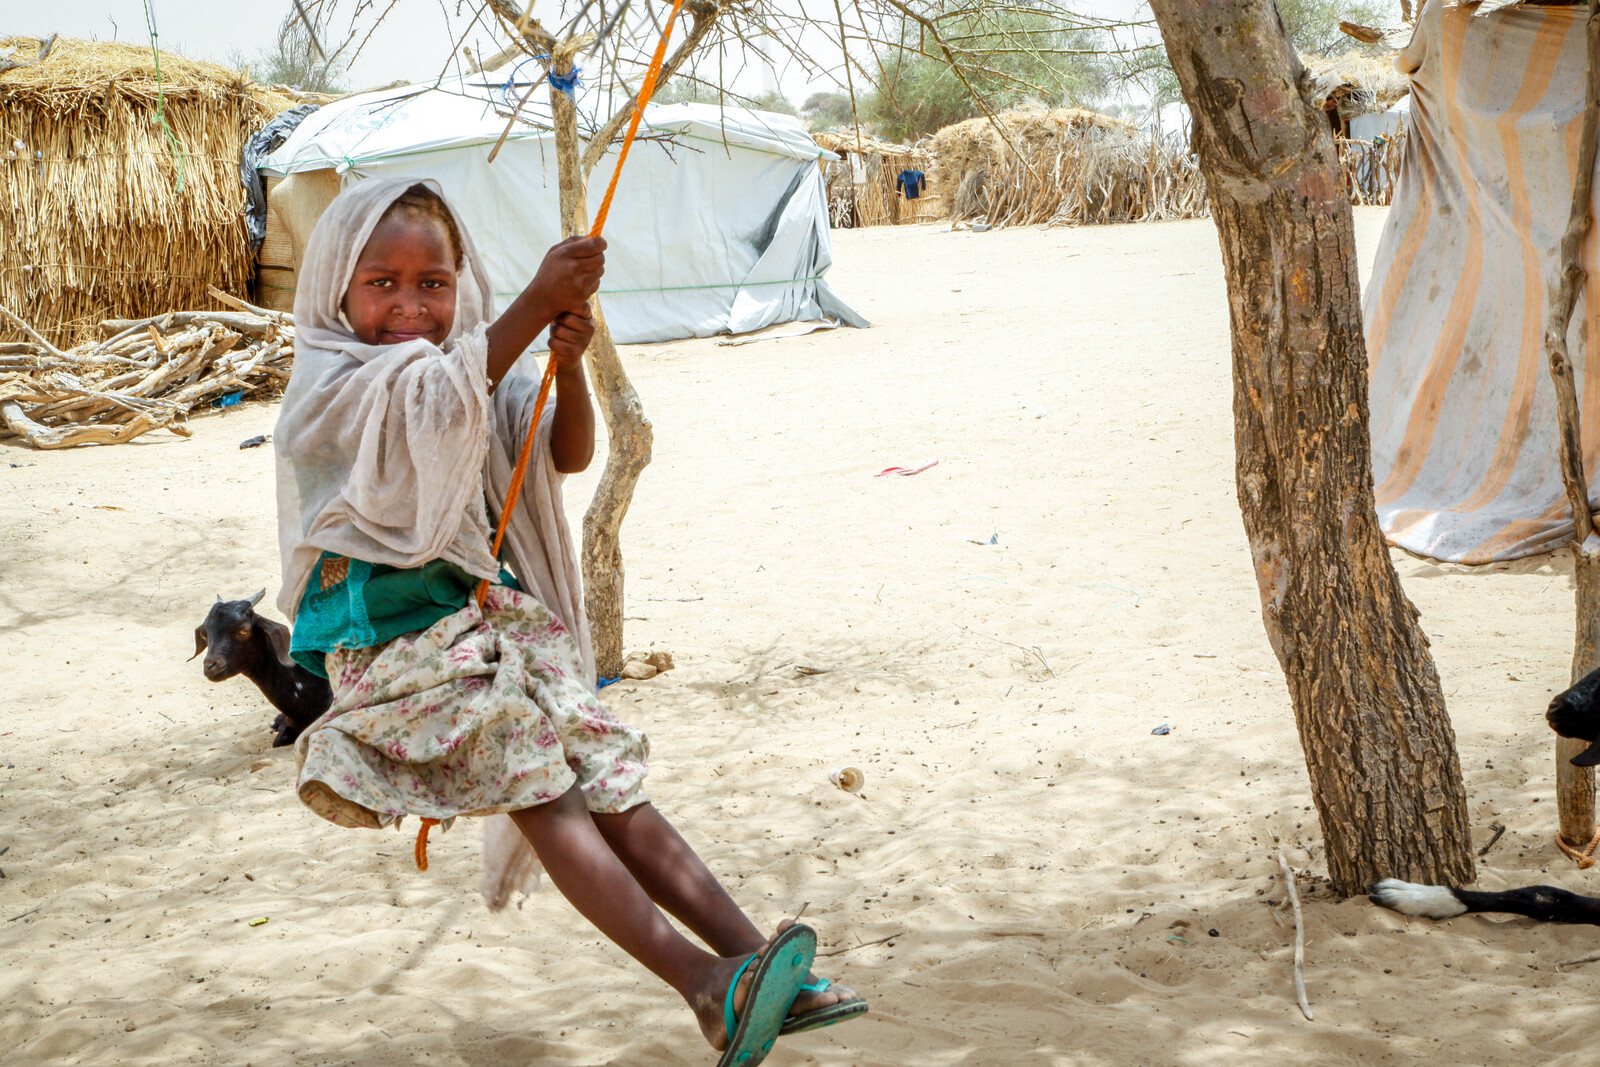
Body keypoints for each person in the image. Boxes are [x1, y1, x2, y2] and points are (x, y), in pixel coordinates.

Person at [273, 178, 865, 1064]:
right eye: (381, 282)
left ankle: (752, 959)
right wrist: (532, 304)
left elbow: (566, 452)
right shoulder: (331, 387)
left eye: (433, 282)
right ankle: (703, 986)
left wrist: (565, 360)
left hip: (487, 622)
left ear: (459, 284)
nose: (409, 303)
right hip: (394, 648)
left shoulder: (474, 364)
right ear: (335, 289)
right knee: (541, 781)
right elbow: (426, 405)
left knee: (608, 775)